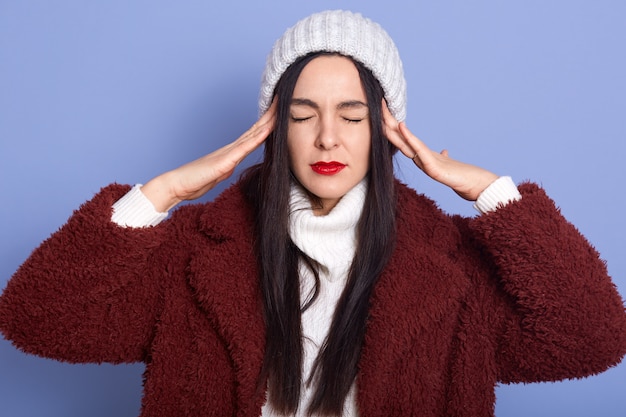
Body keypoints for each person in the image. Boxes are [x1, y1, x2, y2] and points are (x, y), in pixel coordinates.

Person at [0, 9, 625, 417]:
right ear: (274, 128)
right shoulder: (195, 253)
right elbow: (38, 320)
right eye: (302, 115)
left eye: (352, 116)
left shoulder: (452, 266)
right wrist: (162, 192)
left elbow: (592, 340)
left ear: (386, 130)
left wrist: (492, 194)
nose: (328, 138)